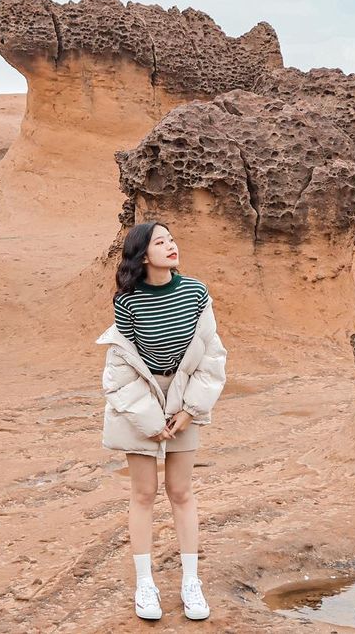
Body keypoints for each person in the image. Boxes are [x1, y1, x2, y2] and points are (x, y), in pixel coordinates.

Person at [96, 221, 228, 621]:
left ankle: (191, 582)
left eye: (171, 239)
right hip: (140, 404)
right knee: (143, 493)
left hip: (185, 400)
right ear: (142, 255)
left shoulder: (195, 292)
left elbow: (211, 357)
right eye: (160, 242)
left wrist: (189, 410)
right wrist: (151, 420)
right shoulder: (128, 301)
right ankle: (145, 585)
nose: (171, 246)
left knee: (181, 491)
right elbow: (122, 367)